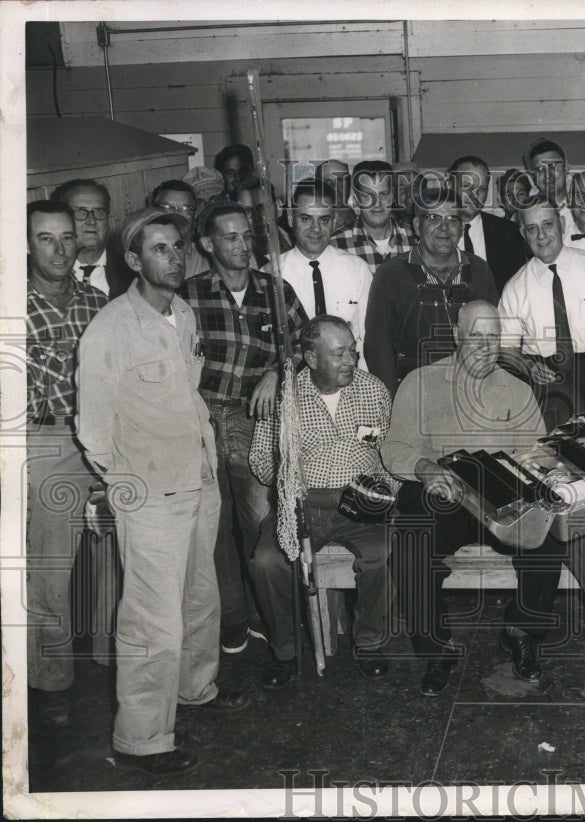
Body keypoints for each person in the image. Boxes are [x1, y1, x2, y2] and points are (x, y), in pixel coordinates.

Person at [77, 208, 248, 778]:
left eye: (178, 248)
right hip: (148, 493)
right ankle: (142, 738)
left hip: (198, 479)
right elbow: (94, 430)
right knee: (152, 618)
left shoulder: (182, 313)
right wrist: (127, 487)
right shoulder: (110, 329)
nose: (174, 259)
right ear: (133, 260)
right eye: (159, 250)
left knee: (201, 599)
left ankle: (196, 688)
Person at [382, 301, 585, 696]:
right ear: (458, 336)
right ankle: (436, 649)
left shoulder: (516, 389)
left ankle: (521, 631)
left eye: (492, 336)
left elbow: (534, 457)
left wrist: (553, 475)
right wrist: (426, 469)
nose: (484, 346)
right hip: (450, 498)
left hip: (504, 505)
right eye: (475, 336)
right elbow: (394, 448)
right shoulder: (420, 382)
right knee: (413, 521)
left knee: (549, 527)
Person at [178, 204, 308, 655]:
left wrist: (278, 370)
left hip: (259, 417)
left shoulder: (276, 290)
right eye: (229, 238)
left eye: (246, 236)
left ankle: (272, 617)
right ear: (208, 245)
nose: (241, 246)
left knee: (259, 521)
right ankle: (232, 619)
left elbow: (303, 347)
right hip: (205, 415)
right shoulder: (188, 295)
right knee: (212, 527)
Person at [248, 315, 394, 686]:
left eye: (353, 351)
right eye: (339, 354)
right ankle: (284, 650)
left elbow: (391, 452)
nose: (351, 360)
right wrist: (289, 480)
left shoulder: (373, 389)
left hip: (360, 505)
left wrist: (384, 493)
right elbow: (262, 462)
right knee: (265, 562)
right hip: (303, 505)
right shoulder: (286, 399)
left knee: (382, 555)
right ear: (311, 359)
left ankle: (369, 641)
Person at [25, 200, 108, 729]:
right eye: (44, 238)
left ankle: (112, 660)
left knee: (121, 555)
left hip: (102, 439)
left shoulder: (99, 302)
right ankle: (51, 679)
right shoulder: (11, 304)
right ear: (27, 244)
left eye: (66, 237)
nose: (58, 249)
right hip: (46, 441)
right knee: (51, 569)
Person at [499, 194, 585, 430]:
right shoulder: (515, 287)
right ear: (523, 233)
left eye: (548, 225)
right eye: (532, 228)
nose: (541, 236)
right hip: (547, 377)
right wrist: (528, 366)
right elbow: (506, 347)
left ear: (561, 223)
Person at [364, 187, 498, 396]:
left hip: (473, 393)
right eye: (434, 218)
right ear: (418, 225)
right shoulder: (390, 275)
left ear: (461, 227)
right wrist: (394, 401)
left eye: (452, 220)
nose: (444, 228)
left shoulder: (479, 270)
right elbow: (378, 348)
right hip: (414, 395)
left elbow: (495, 337)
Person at [275, 179, 372, 368]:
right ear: (290, 219)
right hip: (295, 383)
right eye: (306, 219)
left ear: (334, 222)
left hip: (351, 379)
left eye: (324, 220)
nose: (316, 229)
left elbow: (370, 338)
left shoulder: (357, 269)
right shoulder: (272, 274)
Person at [449, 155, 529, 293]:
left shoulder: (510, 233)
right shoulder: (435, 232)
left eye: (482, 188)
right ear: (449, 186)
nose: (475, 195)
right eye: (467, 186)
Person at [51, 178, 134, 298]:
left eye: (99, 212)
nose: (92, 221)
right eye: (80, 212)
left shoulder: (130, 270)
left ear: (108, 220)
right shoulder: (47, 274)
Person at [332, 160, 415, 273]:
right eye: (368, 196)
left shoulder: (415, 240)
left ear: (392, 196)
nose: (377, 203)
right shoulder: (336, 245)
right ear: (357, 200)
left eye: (383, 194)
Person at [150, 179, 211, 279]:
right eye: (167, 207)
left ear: (195, 216)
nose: (177, 215)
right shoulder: (143, 259)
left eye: (185, 209)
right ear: (152, 212)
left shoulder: (208, 257)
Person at [524, 137, 570, 216]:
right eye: (540, 169)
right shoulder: (526, 213)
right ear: (532, 177)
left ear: (566, 167)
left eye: (552, 165)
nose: (548, 175)